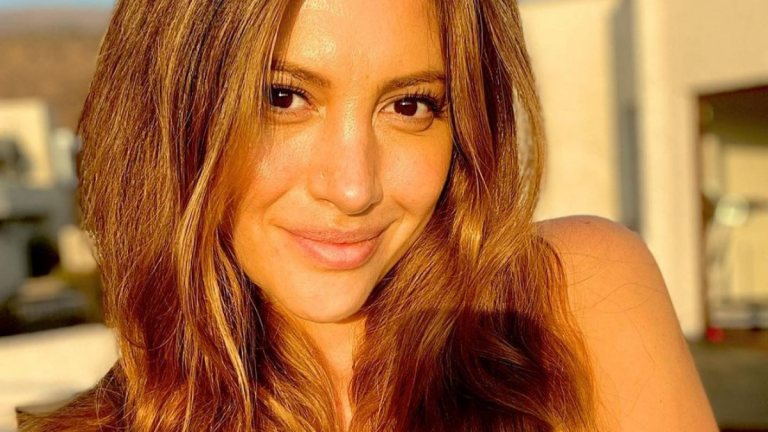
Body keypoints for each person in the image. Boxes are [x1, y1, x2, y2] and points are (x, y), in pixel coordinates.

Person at [18, 0, 719, 430]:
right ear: (173, 114)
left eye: (410, 105)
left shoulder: (573, 299)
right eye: (283, 98)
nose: (353, 188)